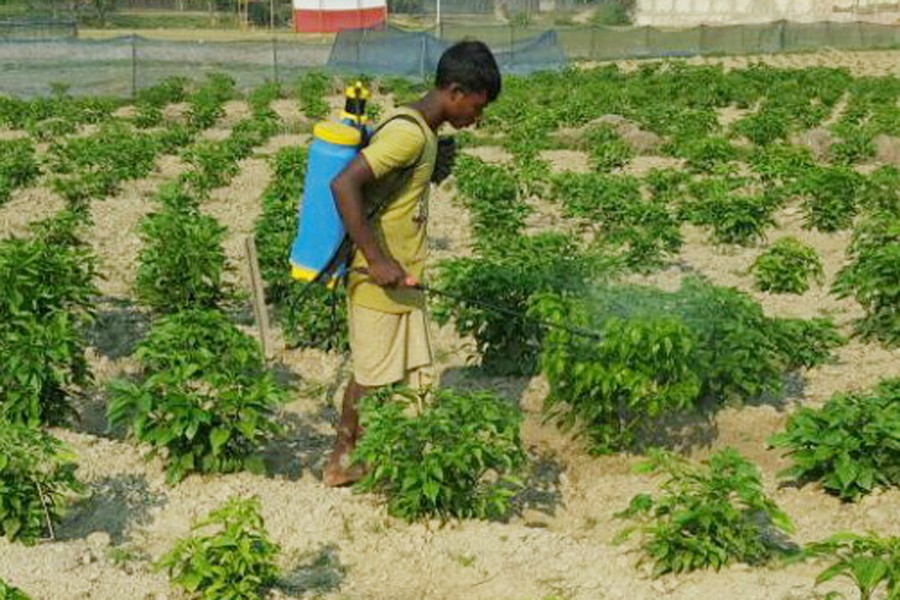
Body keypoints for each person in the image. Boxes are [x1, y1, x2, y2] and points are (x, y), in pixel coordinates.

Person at [323, 41, 502, 487]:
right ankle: (341, 459)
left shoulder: (422, 131)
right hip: (379, 279)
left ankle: (387, 459)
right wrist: (377, 259)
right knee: (372, 373)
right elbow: (344, 185)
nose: (476, 118)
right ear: (455, 91)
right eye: (476, 107)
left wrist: (428, 171)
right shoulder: (409, 134)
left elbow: (392, 191)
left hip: (404, 277)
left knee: (407, 374)